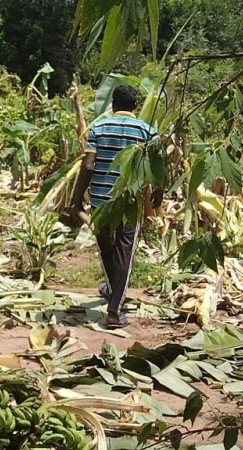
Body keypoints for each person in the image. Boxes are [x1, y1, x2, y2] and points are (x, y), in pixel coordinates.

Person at [66, 84, 157, 329]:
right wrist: (156, 196)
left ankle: (112, 293)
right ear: (135, 106)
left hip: (100, 201)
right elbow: (156, 167)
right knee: (124, 251)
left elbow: (88, 165)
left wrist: (76, 200)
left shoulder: (98, 128)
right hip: (129, 201)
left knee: (107, 248)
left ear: (113, 105)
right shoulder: (147, 131)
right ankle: (114, 309)